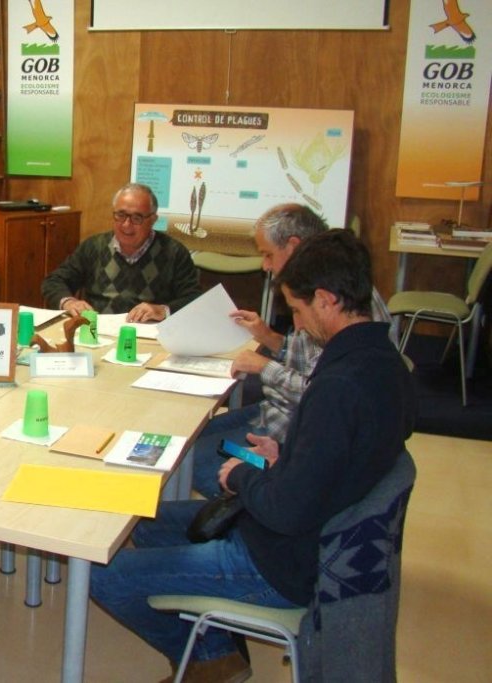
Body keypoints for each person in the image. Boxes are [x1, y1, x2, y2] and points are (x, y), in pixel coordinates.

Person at [89, 229, 416, 683]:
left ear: (326, 300)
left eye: (298, 311)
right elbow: (345, 454)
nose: (297, 326)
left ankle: (213, 658)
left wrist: (244, 474)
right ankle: (217, 641)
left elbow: (285, 510)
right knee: (143, 522)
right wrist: (285, 453)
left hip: (280, 558)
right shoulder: (382, 364)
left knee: (105, 576)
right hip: (304, 523)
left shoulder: (338, 386)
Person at [190, 204, 394, 497]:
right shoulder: (318, 287)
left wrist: (264, 367)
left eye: (268, 254)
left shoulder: (343, 305)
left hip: (289, 428)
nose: (265, 265)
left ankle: (229, 515)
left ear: (294, 247)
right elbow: (308, 361)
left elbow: (321, 393)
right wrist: (269, 338)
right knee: (189, 437)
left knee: (189, 460)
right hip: (273, 410)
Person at [41, 182, 201, 322]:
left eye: (137, 218)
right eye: (120, 215)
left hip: (148, 335)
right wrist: (69, 302)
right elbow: (54, 281)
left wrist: (162, 310)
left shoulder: (174, 252)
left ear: (153, 219)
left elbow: (194, 299)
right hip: (96, 331)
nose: (126, 225)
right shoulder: (94, 246)